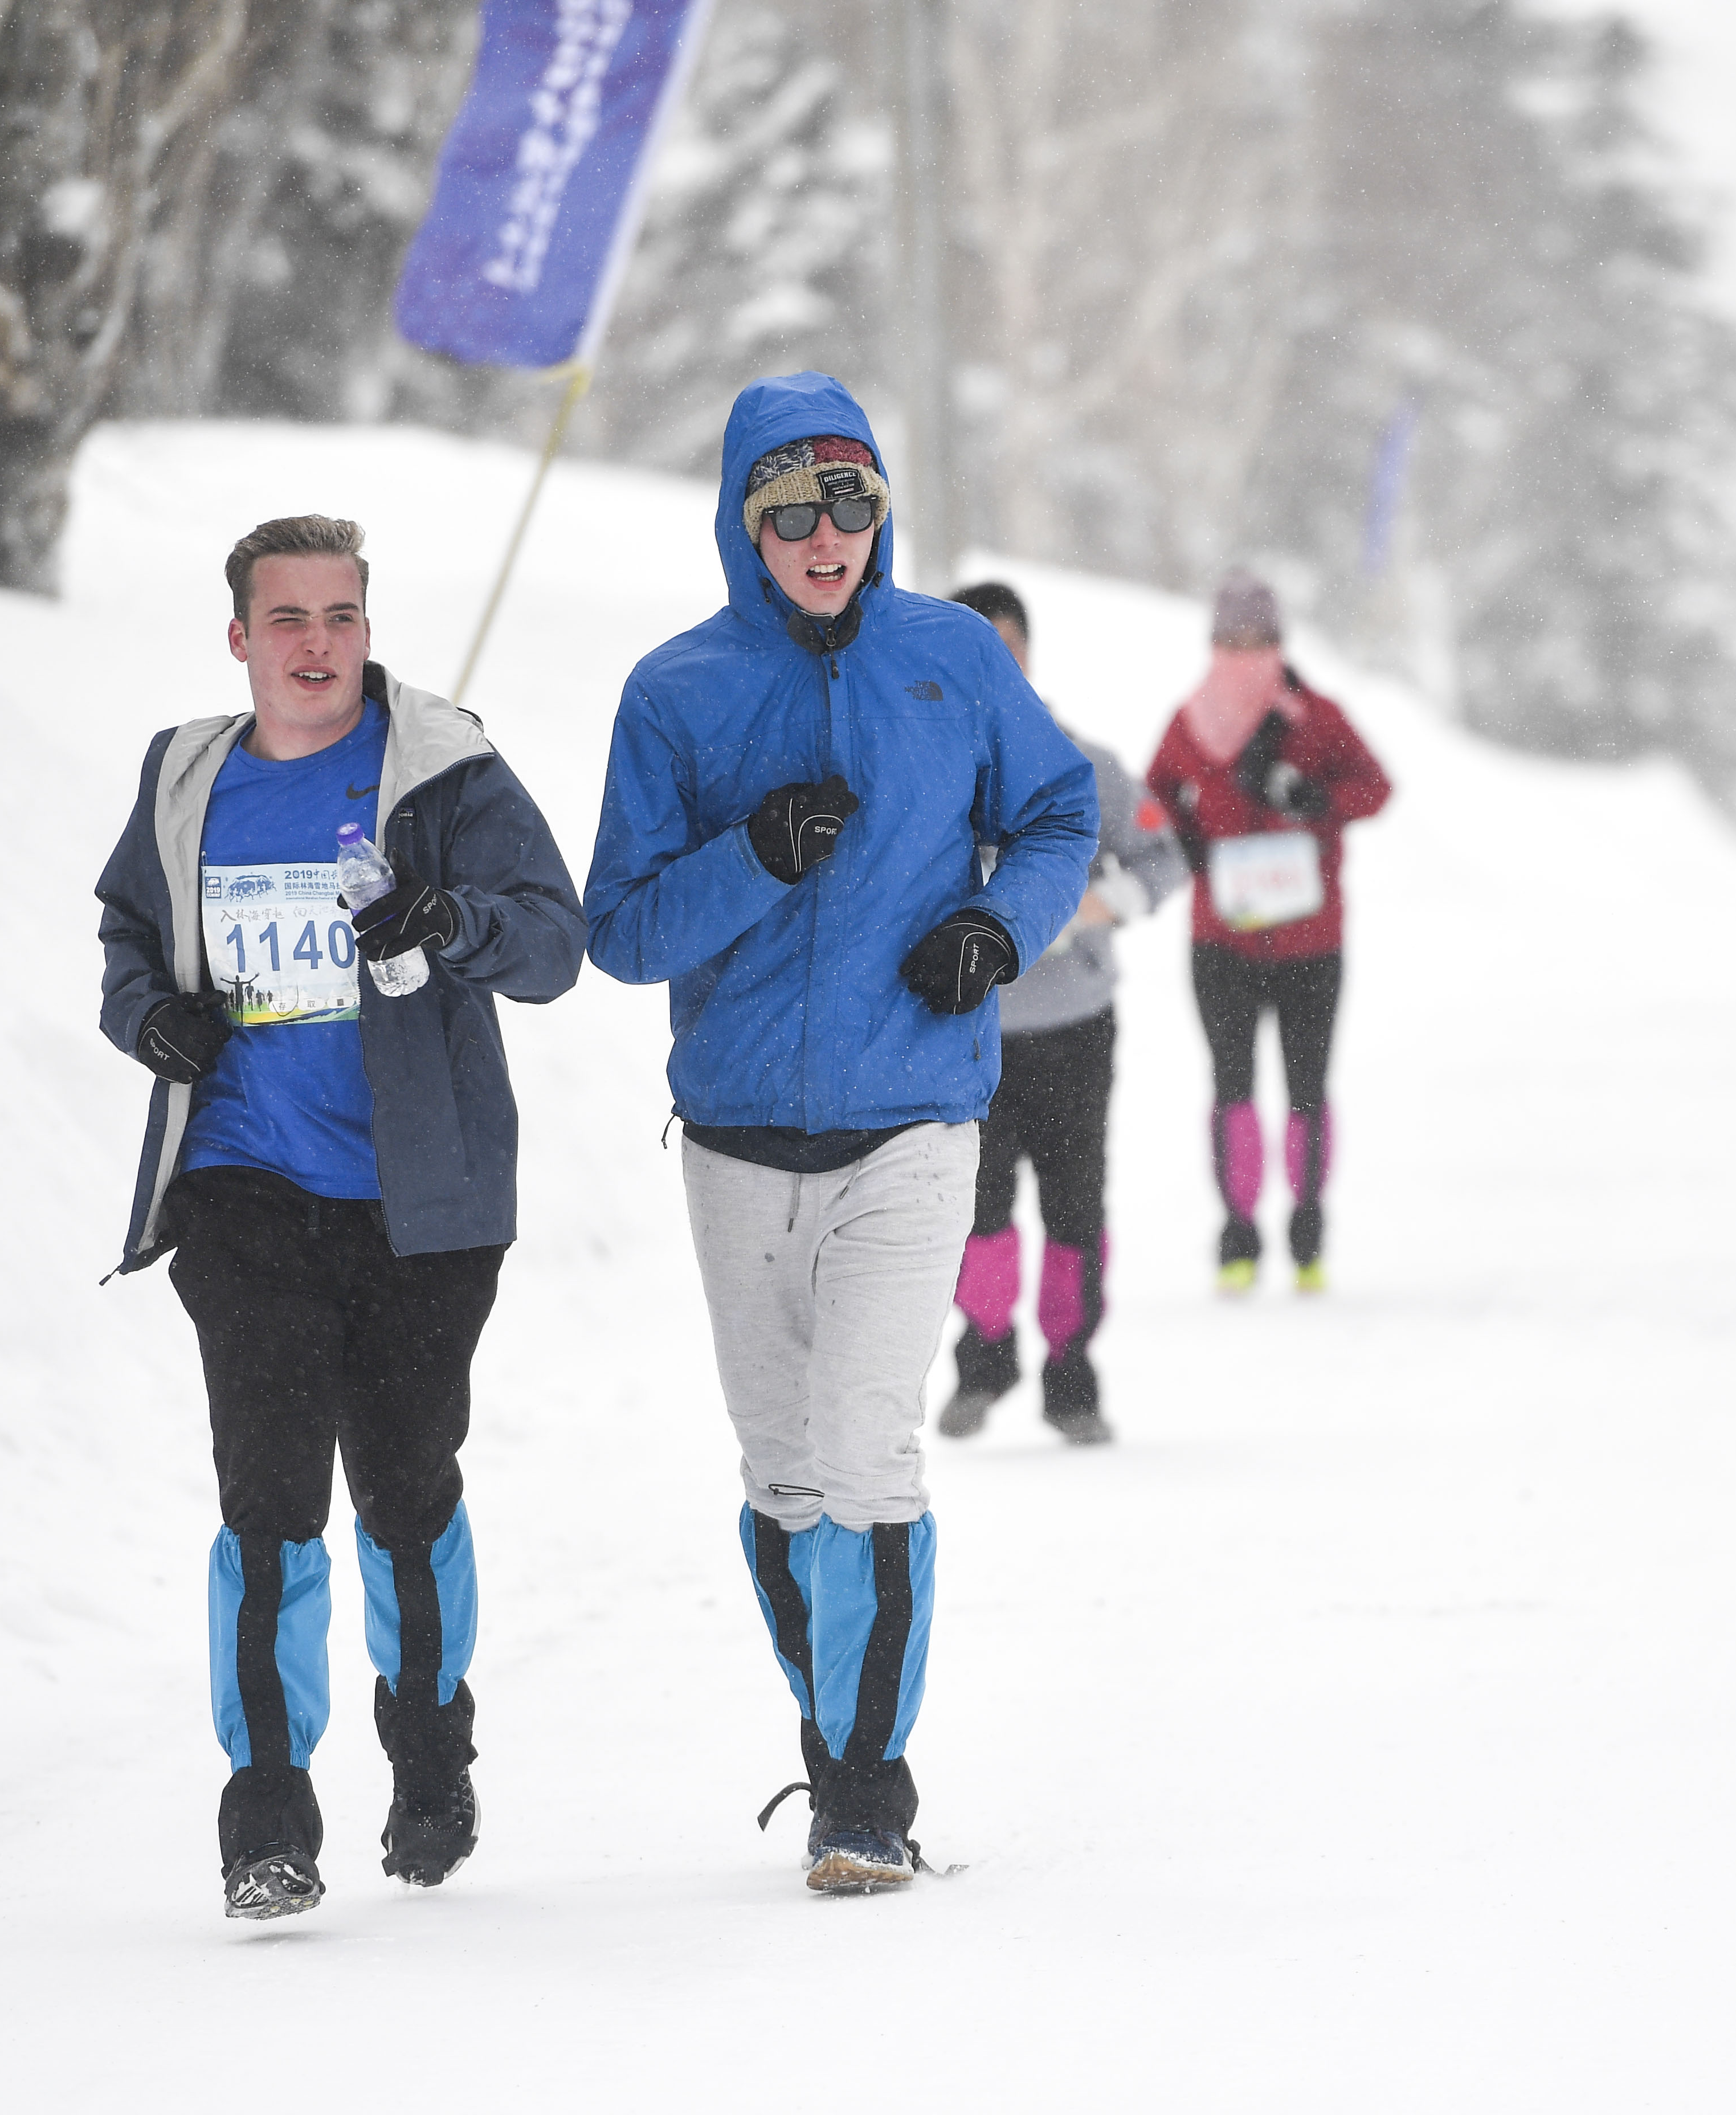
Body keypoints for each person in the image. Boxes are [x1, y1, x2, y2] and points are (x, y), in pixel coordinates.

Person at [583, 375, 1097, 1892]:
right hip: (738, 1131)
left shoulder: (950, 662)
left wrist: (996, 934)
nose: (827, 535)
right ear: (748, 525)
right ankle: (832, 1730)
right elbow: (618, 927)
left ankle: (866, 1790)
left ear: (885, 511)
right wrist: (750, 858)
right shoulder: (676, 691)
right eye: (792, 510)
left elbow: (1062, 815)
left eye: (852, 503)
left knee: (871, 1450)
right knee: (783, 1472)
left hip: (912, 1117)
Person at [95, 514, 586, 1917]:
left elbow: (553, 942)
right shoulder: (186, 774)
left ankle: (429, 1756)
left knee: (405, 1487)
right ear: (239, 637)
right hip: (244, 1186)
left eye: (342, 616)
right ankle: (267, 1814)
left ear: (369, 628)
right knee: (267, 1500)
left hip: (420, 1200)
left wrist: (443, 920)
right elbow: (128, 935)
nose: (317, 644)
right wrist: (155, 1021)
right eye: (289, 618)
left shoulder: (440, 768)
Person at [936, 581, 1190, 1447]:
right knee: (979, 1206)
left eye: (1008, 644)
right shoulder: (926, 768)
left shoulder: (1082, 763)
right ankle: (984, 1355)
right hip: (970, 1032)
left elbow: (1162, 858)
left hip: (1077, 1024)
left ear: (1030, 653)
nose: (996, 664)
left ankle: (1072, 1376)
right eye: (976, 645)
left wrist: (1092, 906)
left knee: (1077, 1203)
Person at [1144, 570, 1392, 1295]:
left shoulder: (1317, 717)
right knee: (1232, 1088)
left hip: (1313, 940)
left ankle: (1309, 1231)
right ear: (1212, 642)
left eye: (1258, 639)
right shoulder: (1190, 723)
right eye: (1231, 639)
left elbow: (1376, 787)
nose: (1244, 653)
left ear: (1281, 642)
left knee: (1308, 1088)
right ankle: (1239, 1233)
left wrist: (1319, 800)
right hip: (1221, 938)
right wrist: (1182, 843)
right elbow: (1151, 803)